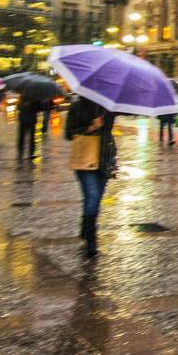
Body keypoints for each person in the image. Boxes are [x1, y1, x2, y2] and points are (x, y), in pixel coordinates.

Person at [66, 96, 116, 257]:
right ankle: (91, 240)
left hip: (105, 158)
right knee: (93, 196)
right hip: (85, 158)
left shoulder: (109, 106)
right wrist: (91, 127)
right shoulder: (77, 107)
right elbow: (69, 134)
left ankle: (85, 228)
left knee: (95, 199)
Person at [16, 95, 40, 161]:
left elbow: (18, 107)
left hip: (23, 120)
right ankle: (31, 154)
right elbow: (39, 108)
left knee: (22, 137)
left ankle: (20, 153)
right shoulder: (35, 98)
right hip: (31, 120)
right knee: (31, 138)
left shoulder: (22, 97)